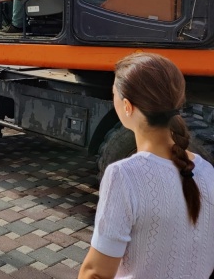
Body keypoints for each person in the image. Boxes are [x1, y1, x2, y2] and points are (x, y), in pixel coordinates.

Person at [79, 52, 214, 279]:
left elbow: (95, 273)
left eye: (113, 94)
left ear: (127, 106)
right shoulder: (207, 172)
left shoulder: (123, 176)